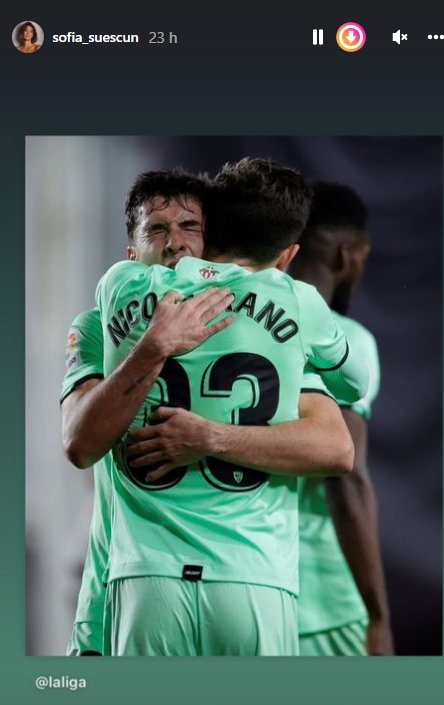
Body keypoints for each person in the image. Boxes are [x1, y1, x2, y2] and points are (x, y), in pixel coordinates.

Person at [96, 157, 367, 656]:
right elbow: (354, 385)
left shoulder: (121, 284)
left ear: (212, 230)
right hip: (253, 573)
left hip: (147, 576)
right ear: (288, 254)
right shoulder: (297, 303)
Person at [63, 169, 233, 654]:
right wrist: (153, 346)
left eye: (190, 226)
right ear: (131, 254)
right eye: (156, 229)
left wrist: (212, 438)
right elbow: (79, 444)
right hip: (123, 585)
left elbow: (335, 448)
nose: (175, 242)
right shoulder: (95, 327)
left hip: (234, 581)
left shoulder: (254, 321)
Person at [289, 181, 394, 656]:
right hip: (325, 603)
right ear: (348, 254)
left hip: (247, 581)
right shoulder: (346, 339)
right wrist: (378, 617)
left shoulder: (241, 324)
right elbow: (345, 477)